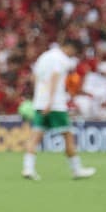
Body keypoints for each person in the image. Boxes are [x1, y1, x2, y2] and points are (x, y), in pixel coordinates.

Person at [21, 39, 97, 181]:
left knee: (35, 136)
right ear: (69, 48)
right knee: (67, 135)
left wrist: (40, 97)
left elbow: (34, 78)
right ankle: (76, 169)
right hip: (55, 104)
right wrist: (50, 101)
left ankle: (28, 168)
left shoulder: (43, 57)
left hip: (39, 102)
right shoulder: (61, 59)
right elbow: (55, 77)